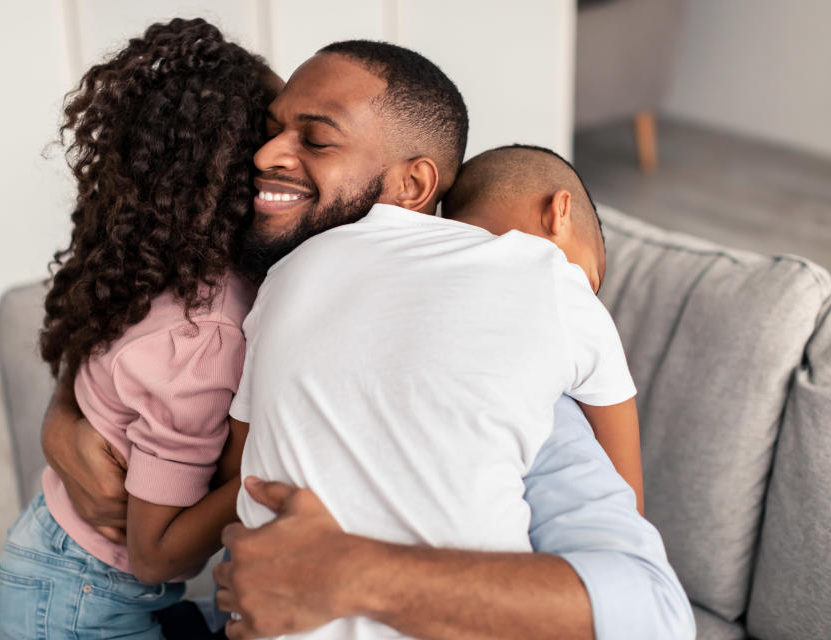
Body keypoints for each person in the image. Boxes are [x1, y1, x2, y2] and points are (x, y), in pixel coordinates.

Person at [43, 40, 696, 640]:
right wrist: (69, 416)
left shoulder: (530, 342)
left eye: (314, 141)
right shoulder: (284, 273)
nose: (263, 155)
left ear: (414, 188)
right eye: (269, 131)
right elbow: (208, 444)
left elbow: (650, 608)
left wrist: (351, 572)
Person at [0, 18, 280, 639]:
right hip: (79, 606)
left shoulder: (150, 250)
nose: (287, 155)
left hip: (57, 560)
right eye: (278, 135)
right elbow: (157, 554)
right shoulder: (206, 335)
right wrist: (274, 469)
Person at [443, 143, 645, 513]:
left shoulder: (382, 248)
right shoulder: (566, 292)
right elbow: (626, 501)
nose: (589, 293)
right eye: (592, 278)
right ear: (560, 211)